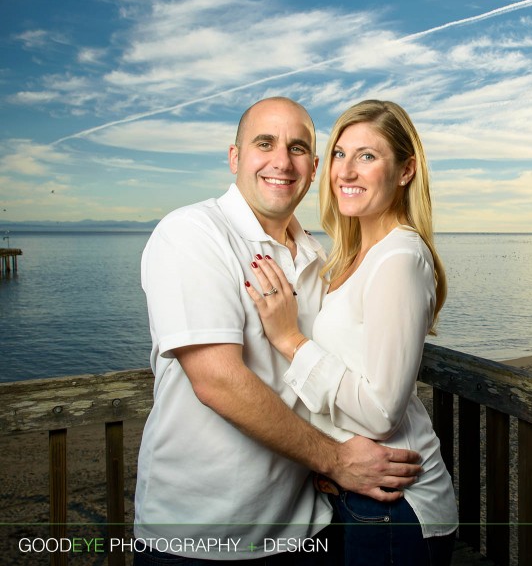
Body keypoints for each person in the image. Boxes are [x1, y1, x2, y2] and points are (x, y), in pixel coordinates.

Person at [135, 97, 422, 565]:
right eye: (264, 143)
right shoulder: (193, 232)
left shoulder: (316, 255)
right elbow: (216, 380)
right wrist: (336, 460)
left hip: (306, 527)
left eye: (299, 147)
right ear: (235, 157)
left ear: (312, 167)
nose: (281, 162)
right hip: (201, 534)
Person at [244, 100, 458, 565]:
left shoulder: (399, 259)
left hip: (395, 505)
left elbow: (381, 412)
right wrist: (329, 455)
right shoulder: (348, 258)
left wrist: (289, 340)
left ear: (405, 170)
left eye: (367, 156)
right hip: (356, 495)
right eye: (340, 154)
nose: (347, 171)